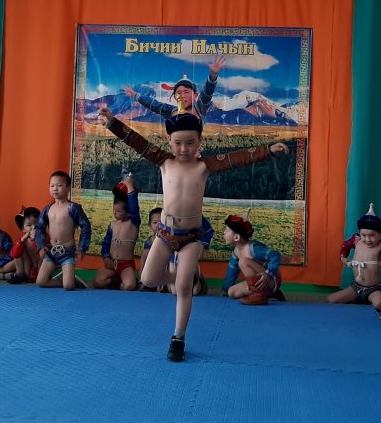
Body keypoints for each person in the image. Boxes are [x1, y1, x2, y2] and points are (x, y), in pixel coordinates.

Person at [98, 106, 288, 361]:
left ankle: (178, 337)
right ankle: (182, 276)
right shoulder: (164, 161)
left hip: (191, 237)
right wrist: (112, 123)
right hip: (165, 234)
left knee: (183, 288)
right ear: (169, 140)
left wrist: (269, 150)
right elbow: (137, 142)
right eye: (178, 143)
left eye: (190, 143)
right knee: (149, 279)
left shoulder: (204, 166)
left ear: (199, 141)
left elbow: (238, 158)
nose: (183, 149)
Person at [35, 170, 92, 291]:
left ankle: (69, 282)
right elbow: (39, 227)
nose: (55, 188)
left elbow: (86, 226)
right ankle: (62, 282)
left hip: (67, 251)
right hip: (51, 251)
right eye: (52, 186)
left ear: (68, 188)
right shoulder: (47, 209)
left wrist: (82, 248)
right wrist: (41, 246)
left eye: (59, 185)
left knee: (68, 286)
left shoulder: (73, 208)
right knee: (40, 281)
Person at [124, 55, 226, 119]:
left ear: (195, 95)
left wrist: (213, 75)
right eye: (179, 93)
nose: (182, 95)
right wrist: (135, 94)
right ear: (174, 97)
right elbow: (154, 104)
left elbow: (207, 94)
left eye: (186, 92)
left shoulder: (199, 108)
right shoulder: (171, 111)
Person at [327, 204, 381, 308]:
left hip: (374, 289)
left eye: (372, 235)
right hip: (356, 287)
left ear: (380, 233)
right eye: (363, 235)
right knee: (331, 299)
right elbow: (345, 245)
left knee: (380, 304)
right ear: (359, 232)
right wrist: (343, 257)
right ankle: (358, 298)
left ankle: (368, 299)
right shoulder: (356, 240)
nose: (367, 239)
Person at [221, 214, 282, 305]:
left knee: (243, 262)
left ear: (236, 237)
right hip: (258, 282)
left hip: (270, 279)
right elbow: (232, 271)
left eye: (227, 230)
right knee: (231, 292)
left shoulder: (254, 248)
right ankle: (267, 293)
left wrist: (268, 273)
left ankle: (259, 295)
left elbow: (275, 255)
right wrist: (225, 289)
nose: (224, 232)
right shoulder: (236, 251)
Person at [95, 175, 140, 291]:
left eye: (118, 211)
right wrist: (105, 257)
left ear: (128, 213)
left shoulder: (134, 222)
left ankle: (124, 280)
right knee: (98, 282)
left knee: (129, 285)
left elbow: (134, 207)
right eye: (114, 209)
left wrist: (130, 187)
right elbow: (106, 243)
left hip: (126, 264)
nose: (114, 213)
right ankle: (116, 279)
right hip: (112, 263)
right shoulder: (112, 225)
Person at [8, 206, 41, 284]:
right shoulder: (23, 239)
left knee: (44, 255)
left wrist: (34, 240)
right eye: (29, 225)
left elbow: (42, 254)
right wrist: (22, 240)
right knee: (18, 248)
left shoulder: (44, 237)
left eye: (36, 225)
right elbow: (14, 254)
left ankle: (40, 275)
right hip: (28, 269)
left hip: (40, 268)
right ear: (23, 228)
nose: (33, 227)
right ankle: (20, 274)